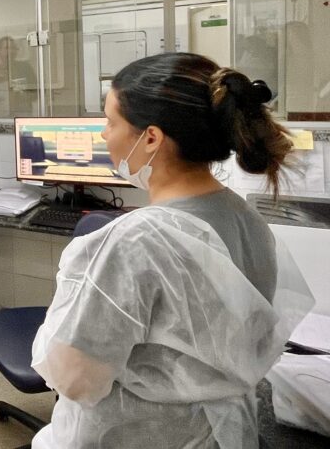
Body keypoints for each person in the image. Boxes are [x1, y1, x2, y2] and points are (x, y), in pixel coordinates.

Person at [30, 52, 314, 448]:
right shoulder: (249, 221)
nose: (104, 135)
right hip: (224, 435)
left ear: (151, 138)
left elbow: (75, 379)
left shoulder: (136, 242)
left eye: (111, 122)